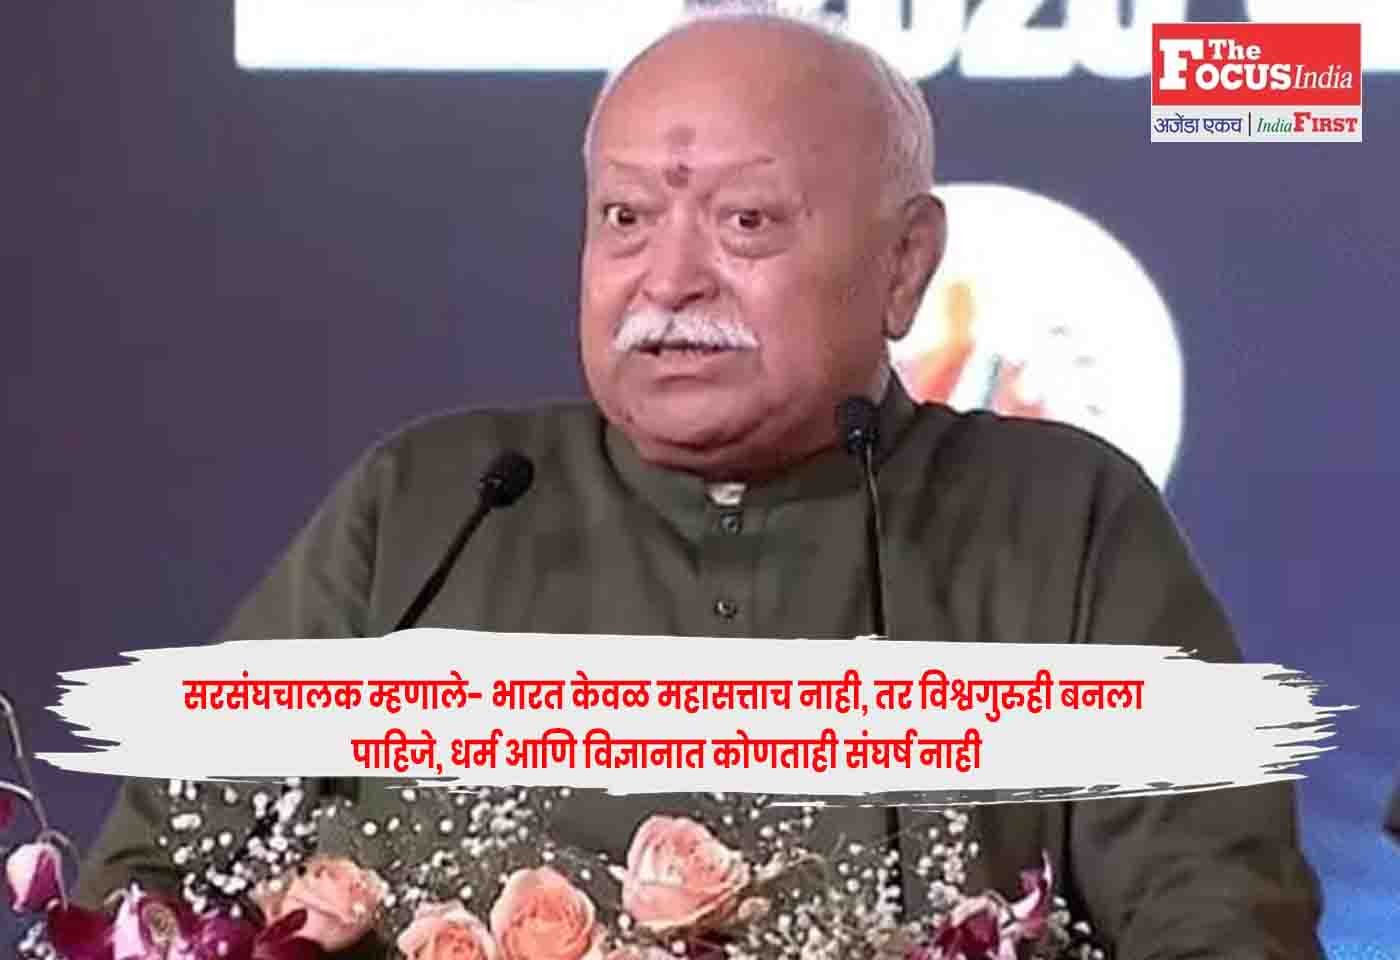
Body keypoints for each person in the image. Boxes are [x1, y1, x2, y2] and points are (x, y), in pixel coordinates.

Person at [75, 10, 1323, 958]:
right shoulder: (434, 504)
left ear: (902, 265)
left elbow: (1220, 921)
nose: (665, 279)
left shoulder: (1057, 519)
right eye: (623, 218)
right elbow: (147, 893)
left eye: (746, 223)